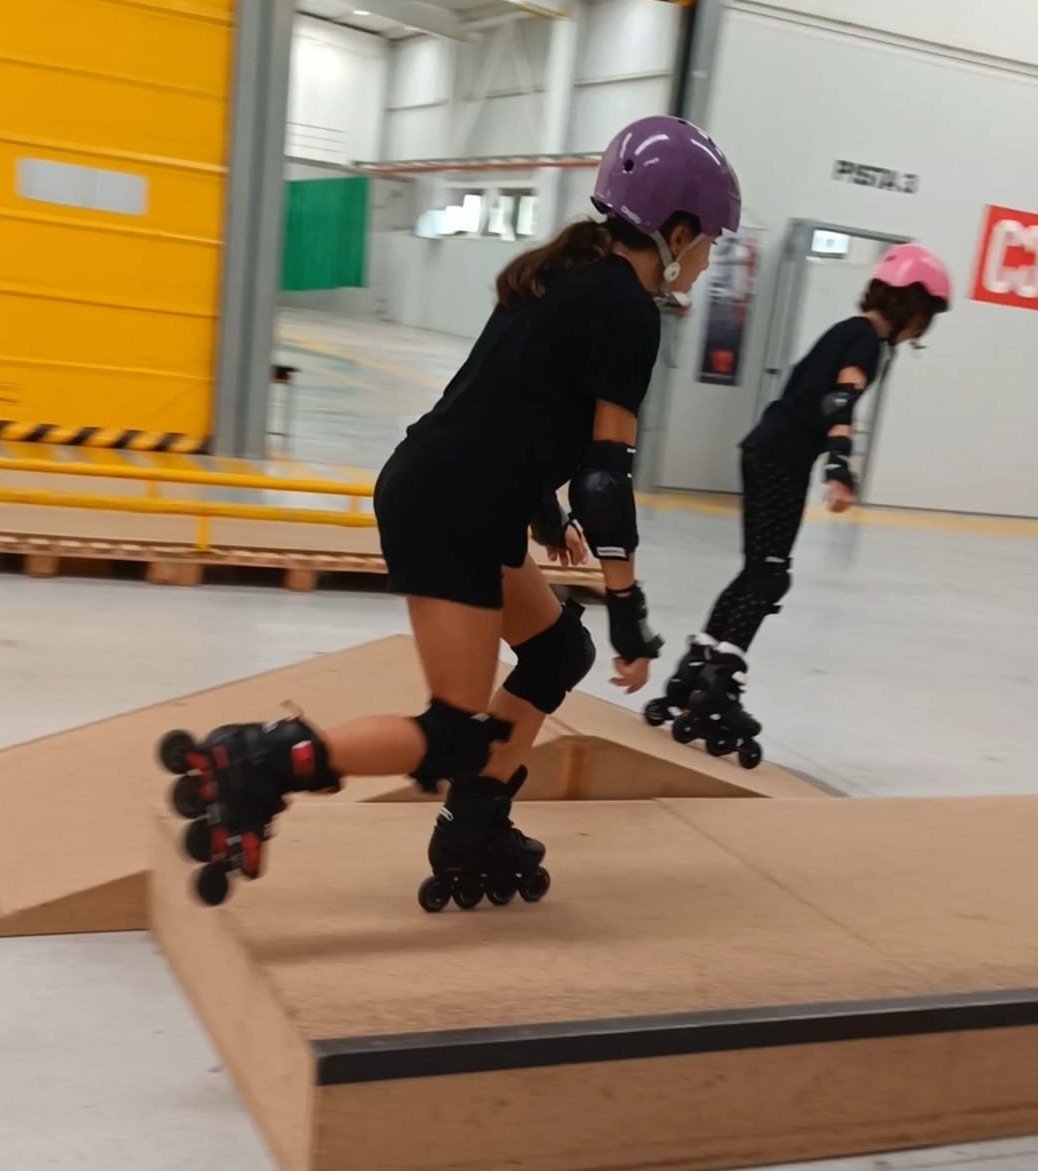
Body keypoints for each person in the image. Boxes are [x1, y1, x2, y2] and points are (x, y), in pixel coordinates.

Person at [160, 115, 741, 909]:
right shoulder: (628, 309)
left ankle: (475, 825)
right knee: (456, 732)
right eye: (708, 241)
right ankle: (262, 761)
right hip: (454, 507)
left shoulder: (568, 270)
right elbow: (606, 480)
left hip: (457, 489)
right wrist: (630, 611)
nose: (708, 258)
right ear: (675, 233)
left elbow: (514, 403)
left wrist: (543, 516)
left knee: (556, 653)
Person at [645, 242, 952, 768]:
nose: (922, 330)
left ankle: (695, 669)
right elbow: (841, 400)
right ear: (912, 307)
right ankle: (719, 683)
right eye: (926, 319)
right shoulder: (867, 340)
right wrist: (839, 467)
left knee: (756, 571)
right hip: (782, 459)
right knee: (770, 576)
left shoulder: (847, 330)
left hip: (765, 449)